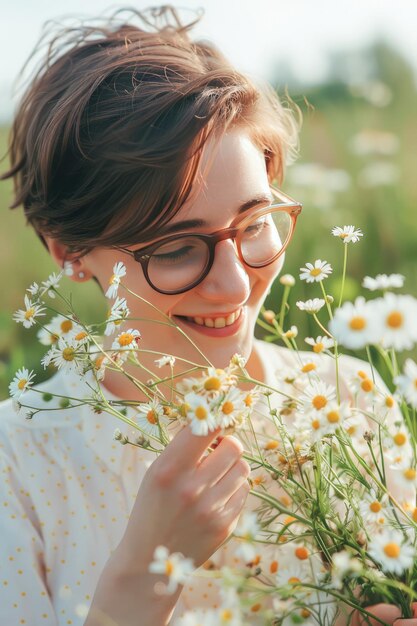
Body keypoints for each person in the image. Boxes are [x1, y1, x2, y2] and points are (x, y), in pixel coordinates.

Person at [0, 6, 415, 626]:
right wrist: (144, 571)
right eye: (174, 249)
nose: (232, 283)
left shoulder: (351, 401)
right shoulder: (19, 465)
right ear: (70, 253)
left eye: (254, 224)